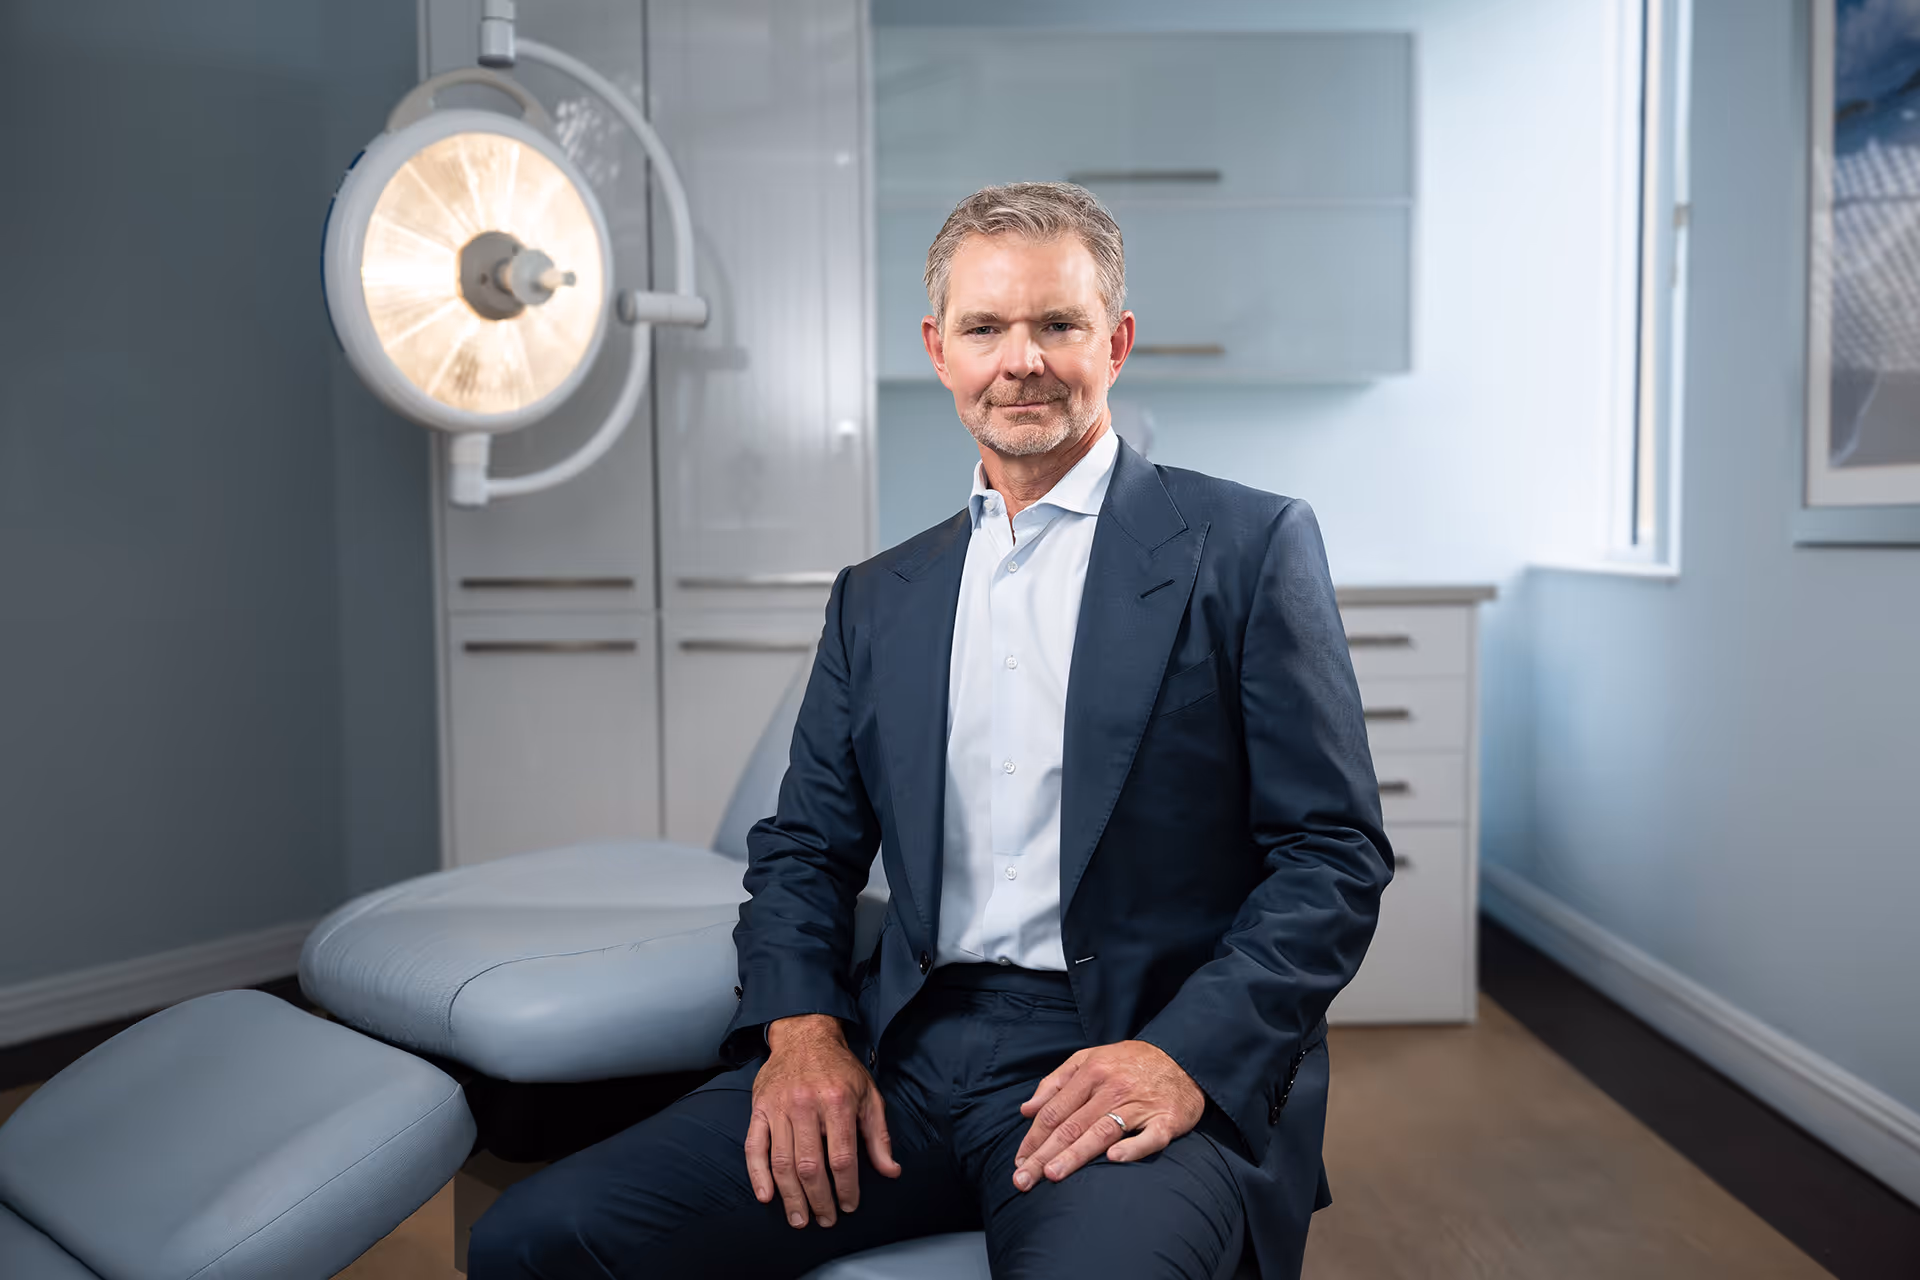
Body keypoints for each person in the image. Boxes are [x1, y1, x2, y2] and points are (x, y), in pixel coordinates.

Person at [469, 181, 1392, 1280]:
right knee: (535, 1241)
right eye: (985, 327)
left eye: (1059, 324)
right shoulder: (879, 597)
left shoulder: (1246, 546)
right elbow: (804, 849)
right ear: (938, 350)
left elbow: (1332, 854)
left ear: (1116, 342)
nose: (1022, 361)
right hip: (902, 1050)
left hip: (1126, 1048)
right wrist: (803, 1031)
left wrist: (1181, 1055)